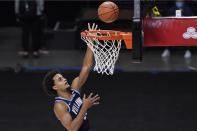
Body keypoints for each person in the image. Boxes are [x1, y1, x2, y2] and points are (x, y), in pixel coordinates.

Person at [42, 23, 100, 131]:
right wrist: (84, 107)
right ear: (55, 87)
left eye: (62, 77)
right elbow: (72, 129)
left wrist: (91, 41)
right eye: (60, 79)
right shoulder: (60, 105)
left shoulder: (75, 88)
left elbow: (86, 67)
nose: (64, 79)